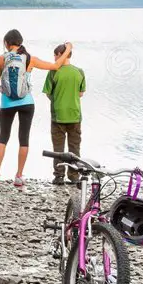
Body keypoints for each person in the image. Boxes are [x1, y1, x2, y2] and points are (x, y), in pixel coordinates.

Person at [0, 30, 71, 188]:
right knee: (23, 139)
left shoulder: (1, 59)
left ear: (6, 43)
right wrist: (67, 49)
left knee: (3, 137)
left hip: (7, 104)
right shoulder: (30, 59)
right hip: (26, 103)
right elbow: (55, 65)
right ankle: (19, 176)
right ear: (20, 42)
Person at [43, 43, 86, 185]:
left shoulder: (53, 72)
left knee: (58, 148)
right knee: (74, 147)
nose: (54, 58)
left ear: (61, 55)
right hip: (75, 115)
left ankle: (59, 176)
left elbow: (48, 93)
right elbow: (80, 93)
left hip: (58, 116)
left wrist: (58, 99)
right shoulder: (79, 71)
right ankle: (74, 176)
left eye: (55, 55)